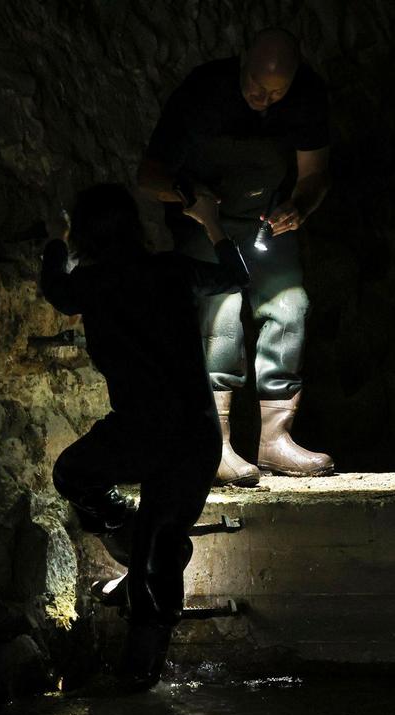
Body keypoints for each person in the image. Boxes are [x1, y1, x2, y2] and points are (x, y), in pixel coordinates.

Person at [41, 183, 249, 689]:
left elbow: (56, 288)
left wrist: (54, 239)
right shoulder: (171, 270)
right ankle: (145, 559)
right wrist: (212, 223)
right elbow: (237, 276)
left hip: (156, 430)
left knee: (78, 478)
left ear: (85, 235)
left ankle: (137, 677)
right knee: (152, 550)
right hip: (184, 433)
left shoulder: (92, 281)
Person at [138, 27, 334, 486]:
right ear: (242, 59)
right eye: (255, 87)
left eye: (276, 94)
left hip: (267, 220)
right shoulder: (203, 90)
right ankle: (217, 444)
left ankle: (275, 440)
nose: (262, 100)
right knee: (220, 315)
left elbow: (315, 174)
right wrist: (190, 198)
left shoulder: (307, 97)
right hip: (206, 219)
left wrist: (299, 207)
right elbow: (149, 175)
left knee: (290, 306)